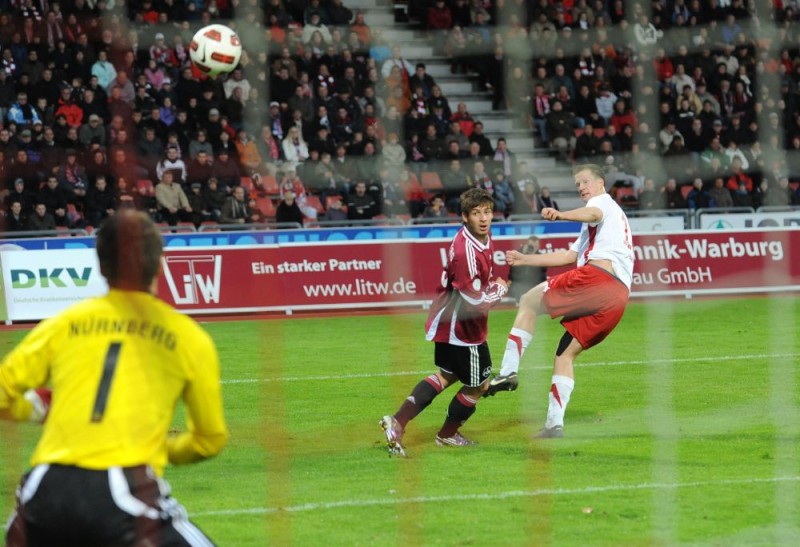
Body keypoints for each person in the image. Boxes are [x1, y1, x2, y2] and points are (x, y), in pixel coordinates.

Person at [1, 211, 228, 545]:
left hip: (42, 492)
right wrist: (160, 448)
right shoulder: (188, 338)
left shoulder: (64, 324)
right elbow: (209, 439)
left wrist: (37, 410)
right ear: (160, 265)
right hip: (123, 489)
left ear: (101, 266)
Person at [485, 164, 634, 439]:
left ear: (601, 183)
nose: (581, 188)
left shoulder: (601, 204)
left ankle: (507, 371)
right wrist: (526, 259)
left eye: (585, 181)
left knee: (529, 300)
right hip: (617, 298)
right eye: (577, 184)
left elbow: (592, 212)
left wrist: (561, 214)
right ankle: (554, 425)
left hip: (598, 279)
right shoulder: (600, 223)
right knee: (565, 354)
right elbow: (569, 256)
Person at [380, 188, 508, 456]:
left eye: (487, 212)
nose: (484, 218)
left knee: (446, 375)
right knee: (479, 385)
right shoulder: (465, 252)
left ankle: (397, 422)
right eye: (476, 213)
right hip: (464, 329)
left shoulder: (480, 236)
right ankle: (447, 435)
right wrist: (501, 289)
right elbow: (475, 300)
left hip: (449, 322)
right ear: (464, 217)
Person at [508, 236, 547, 303]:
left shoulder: (540, 256)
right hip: (520, 284)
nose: (534, 247)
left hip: (535, 284)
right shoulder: (519, 254)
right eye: (532, 245)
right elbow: (513, 270)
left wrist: (533, 258)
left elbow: (543, 271)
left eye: (536, 245)